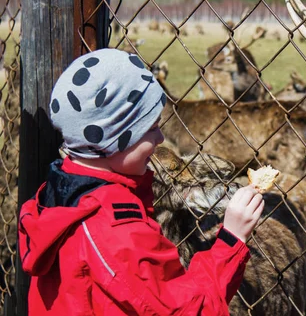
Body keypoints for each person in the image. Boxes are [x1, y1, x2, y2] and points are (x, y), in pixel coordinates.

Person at [18, 48, 264, 315]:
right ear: (114, 140)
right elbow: (188, 309)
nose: (160, 139)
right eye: (151, 129)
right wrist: (232, 240)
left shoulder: (51, 203)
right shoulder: (118, 234)